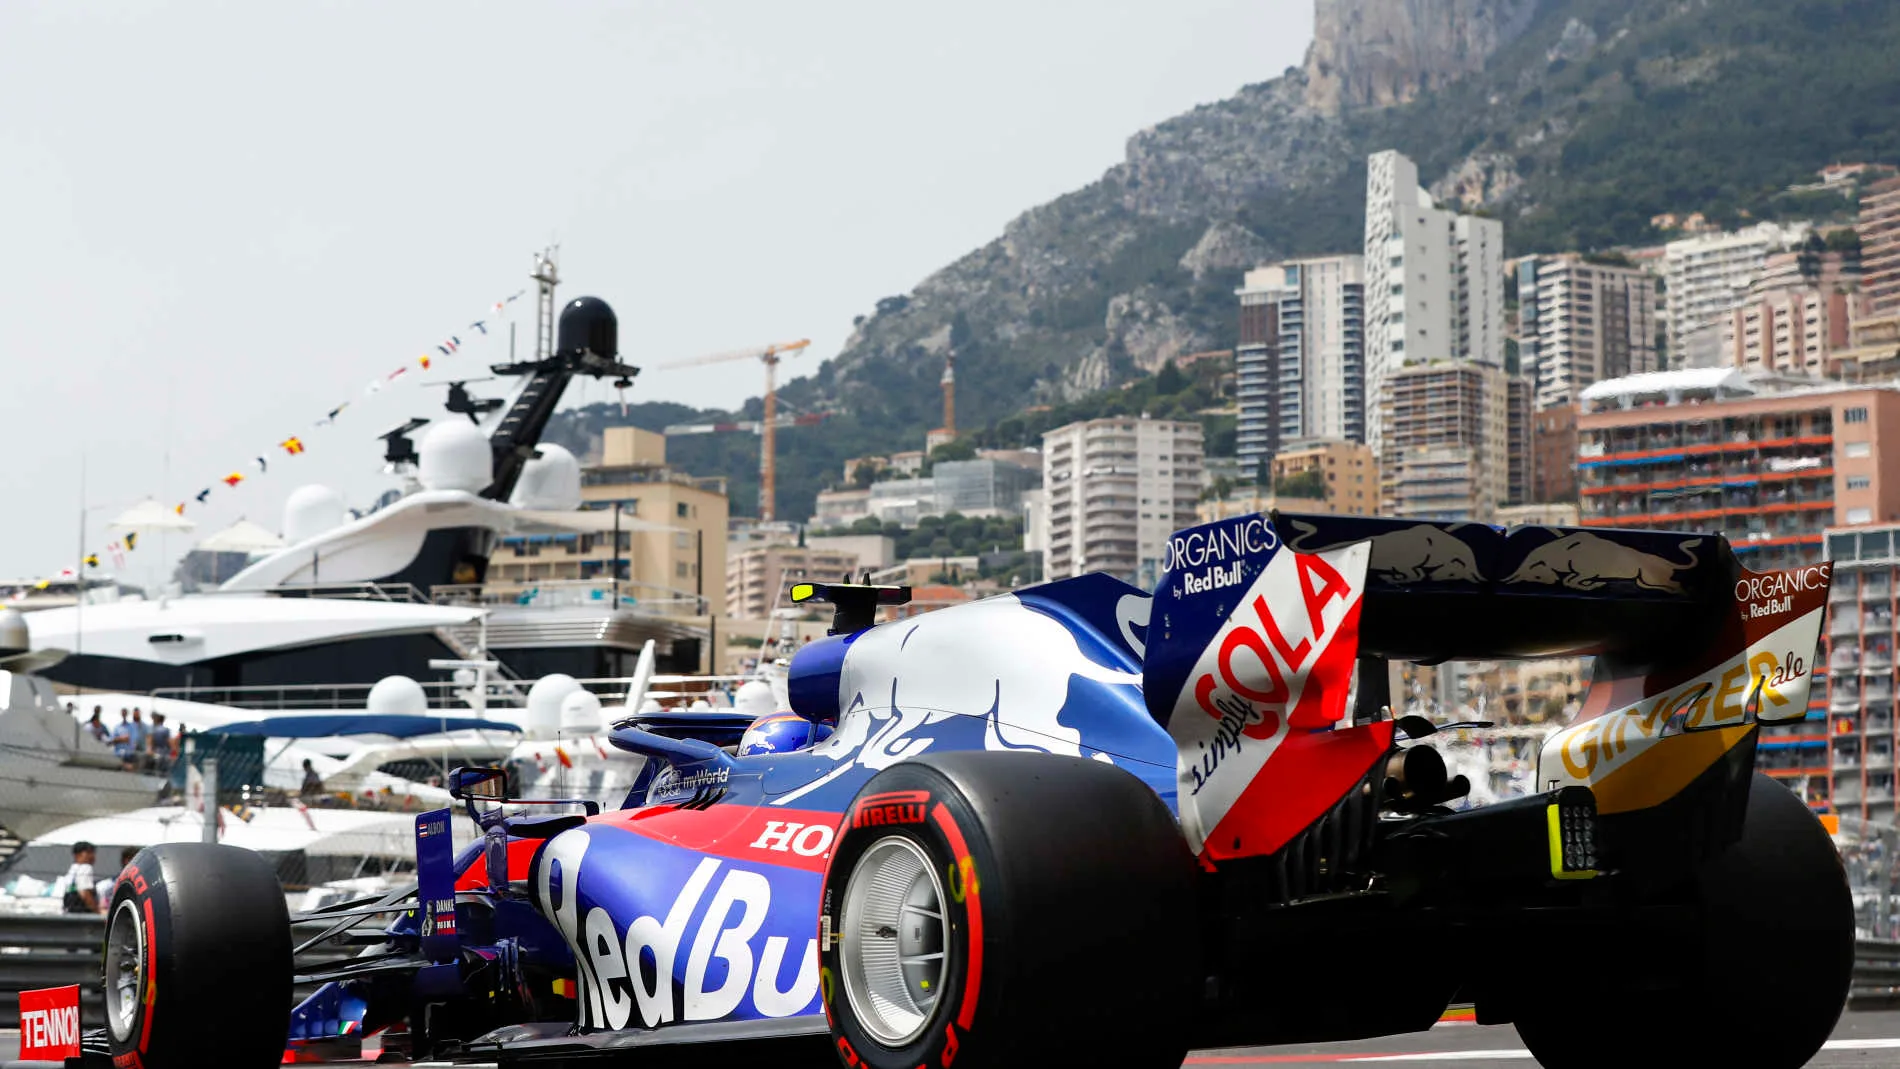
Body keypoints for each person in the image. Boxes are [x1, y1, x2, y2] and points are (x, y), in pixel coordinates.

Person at [95, 846, 137, 911]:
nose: (135, 863)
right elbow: (103, 908)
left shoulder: (145, 884)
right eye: (131, 859)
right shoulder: (106, 886)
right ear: (125, 860)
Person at [61, 842, 99, 914]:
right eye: (88, 852)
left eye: (93, 853)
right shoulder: (86, 868)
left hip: (69, 911)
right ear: (77, 855)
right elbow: (84, 893)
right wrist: (97, 912)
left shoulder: (73, 869)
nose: (92, 856)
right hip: (82, 912)